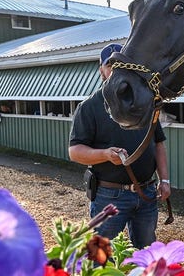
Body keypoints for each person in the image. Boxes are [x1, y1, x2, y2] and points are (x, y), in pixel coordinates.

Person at [68, 43, 170, 249]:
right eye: (110, 65)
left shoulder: (144, 103)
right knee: (99, 257)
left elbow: (158, 143)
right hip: (109, 196)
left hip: (147, 193)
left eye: (121, 64)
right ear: (101, 70)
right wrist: (105, 154)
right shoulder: (89, 107)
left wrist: (165, 180)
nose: (116, 70)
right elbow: (75, 152)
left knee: (146, 255)